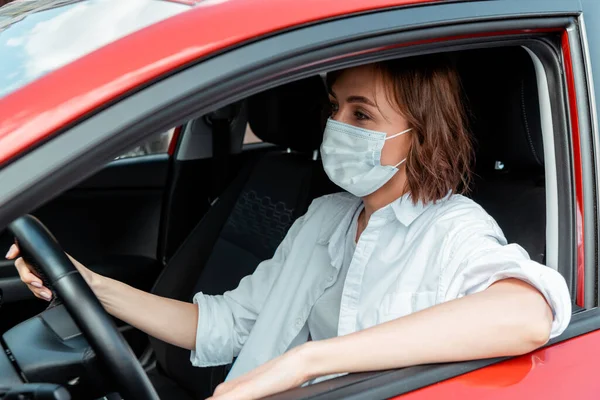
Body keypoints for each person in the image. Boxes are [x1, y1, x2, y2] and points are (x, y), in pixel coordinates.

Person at [8, 54, 571, 400]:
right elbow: (222, 324)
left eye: (361, 114)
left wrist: (308, 362)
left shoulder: (452, 229)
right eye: (334, 108)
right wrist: (84, 283)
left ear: (421, 135)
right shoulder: (325, 217)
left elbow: (525, 315)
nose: (335, 125)